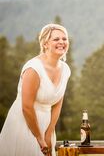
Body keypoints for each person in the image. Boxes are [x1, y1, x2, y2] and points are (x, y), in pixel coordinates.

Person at [0, 23, 71, 156]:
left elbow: (57, 103)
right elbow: (26, 107)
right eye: (56, 39)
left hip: (46, 125)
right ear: (45, 44)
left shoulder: (65, 70)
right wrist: (39, 137)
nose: (62, 42)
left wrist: (49, 133)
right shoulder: (34, 69)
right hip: (24, 124)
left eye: (64, 39)